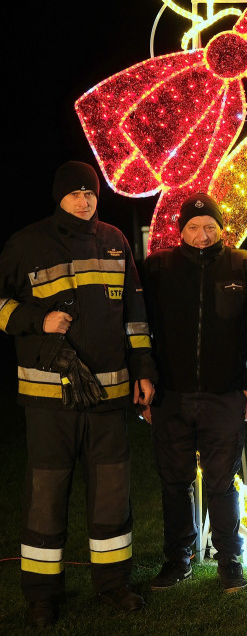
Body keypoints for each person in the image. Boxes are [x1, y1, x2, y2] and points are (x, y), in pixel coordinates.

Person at [0, 161, 157, 626]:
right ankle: (42, 594)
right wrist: (37, 320)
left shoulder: (114, 240)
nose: (85, 200)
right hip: (49, 400)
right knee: (46, 494)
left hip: (108, 399)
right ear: (58, 197)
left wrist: (143, 369)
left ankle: (114, 584)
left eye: (90, 193)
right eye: (74, 194)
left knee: (112, 493)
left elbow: (135, 313)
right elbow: (2, 305)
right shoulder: (26, 243)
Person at [141, 193, 247, 594]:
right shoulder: (158, 267)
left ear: (221, 228)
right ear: (180, 230)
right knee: (174, 481)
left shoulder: (243, 265)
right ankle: (177, 560)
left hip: (225, 394)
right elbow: (137, 328)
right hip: (171, 394)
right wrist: (145, 381)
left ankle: (229, 560)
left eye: (210, 227)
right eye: (194, 227)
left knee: (223, 481)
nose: (202, 235)